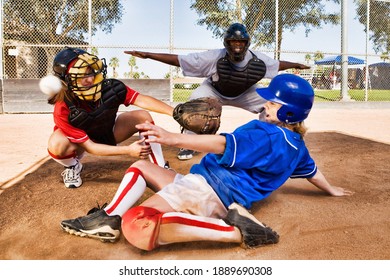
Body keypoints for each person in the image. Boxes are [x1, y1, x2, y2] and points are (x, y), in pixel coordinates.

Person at [60, 74, 354, 250]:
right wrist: (331, 189)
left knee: (137, 225)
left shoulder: (267, 135)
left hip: (209, 193)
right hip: (202, 186)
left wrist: (171, 138)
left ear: (289, 114)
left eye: (274, 104)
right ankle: (108, 219)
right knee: (141, 167)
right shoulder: (296, 146)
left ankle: (236, 231)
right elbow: (311, 171)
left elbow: (223, 143)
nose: (266, 104)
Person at [125, 22, 310, 160]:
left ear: (247, 43)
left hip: (245, 92)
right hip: (214, 90)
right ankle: (188, 143)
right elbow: (179, 60)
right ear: (226, 43)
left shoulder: (258, 59)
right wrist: (149, 55)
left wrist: (294, 64)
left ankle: (269, 139)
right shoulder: (214, 56)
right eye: (233, 41)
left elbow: (277, 65)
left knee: (270, 105)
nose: (237, 45)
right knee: (194, 104)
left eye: (241, 41)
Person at [47, 47, 174, 188]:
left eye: (91, 72)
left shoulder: (109, 88)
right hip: (82, 144)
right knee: (56, 143)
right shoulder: (63, 108)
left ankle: (160, 167)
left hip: (108, 132)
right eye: (82, 75)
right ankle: (72, 166)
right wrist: (128, 150)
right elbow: (91, 147)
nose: (90, 79)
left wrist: (174, 112)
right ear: (66, 80)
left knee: (142, 116)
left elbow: (141, 99)